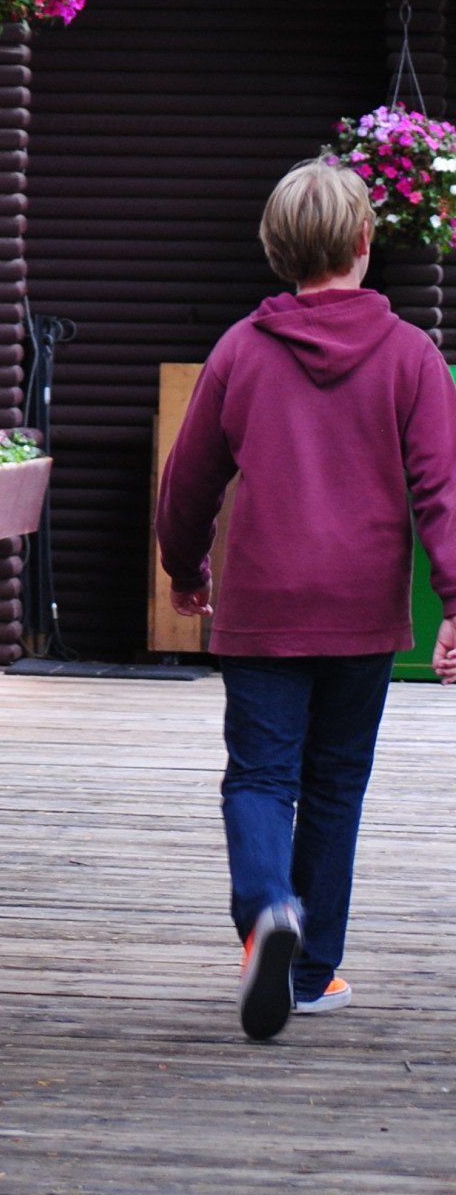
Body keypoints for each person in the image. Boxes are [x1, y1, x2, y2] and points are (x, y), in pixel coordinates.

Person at [155, 155, 456, 1042]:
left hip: (263, 605)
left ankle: (268, 913)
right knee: (334, 784)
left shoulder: (241, 351)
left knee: (258, 776)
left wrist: (184, 567)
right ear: (366, 244)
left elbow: (189, 482)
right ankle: (313, 972)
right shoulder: (410, 356)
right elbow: (442, 489)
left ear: (276, 249)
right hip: (362, 609)